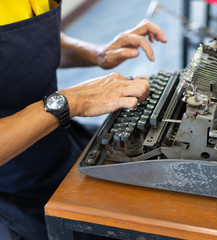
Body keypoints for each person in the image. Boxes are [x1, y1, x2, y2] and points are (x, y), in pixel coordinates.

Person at [0, 0, 167, 239]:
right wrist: (75, 101)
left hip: (56, 143)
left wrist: (98, 53)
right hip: (10, 193)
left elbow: (32, 41)